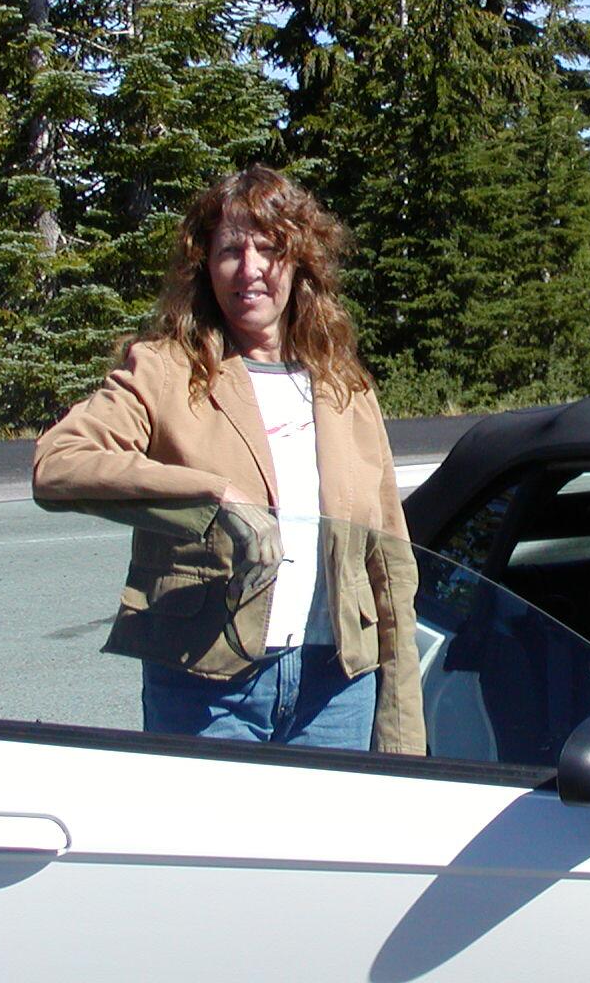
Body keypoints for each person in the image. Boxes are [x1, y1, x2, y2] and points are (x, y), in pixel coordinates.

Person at [33, 165, 425, 755]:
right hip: (207, 686)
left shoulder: (346, 387)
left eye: (269, 249)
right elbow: (58, 463)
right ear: (204, 266)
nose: (250, 269)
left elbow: (390, 566)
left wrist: (402, 739)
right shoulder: (163, 370)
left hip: (337, 687)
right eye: (230, 251)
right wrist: (211, 496)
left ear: (301, 262)